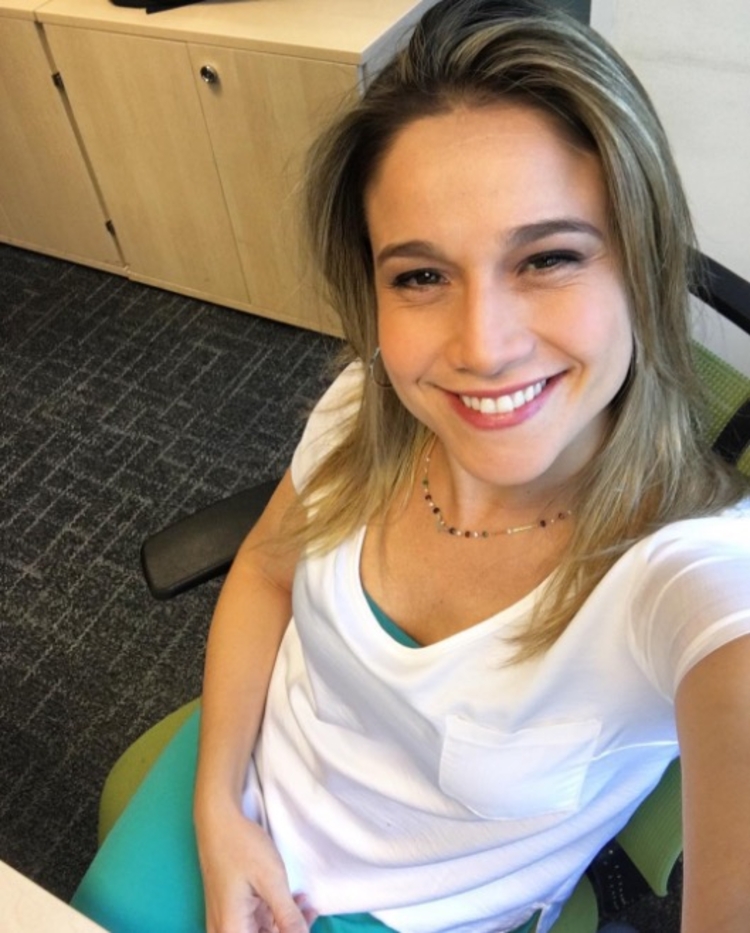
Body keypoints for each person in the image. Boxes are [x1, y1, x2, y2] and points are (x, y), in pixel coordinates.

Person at [71, 1, 750, 932]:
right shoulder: (370, 403)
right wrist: (219, 809)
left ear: (642, 265)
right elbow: (265, 570)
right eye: (421, 275)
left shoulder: (692, 575)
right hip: (244, 781)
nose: (483, 347)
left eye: (549, 257)